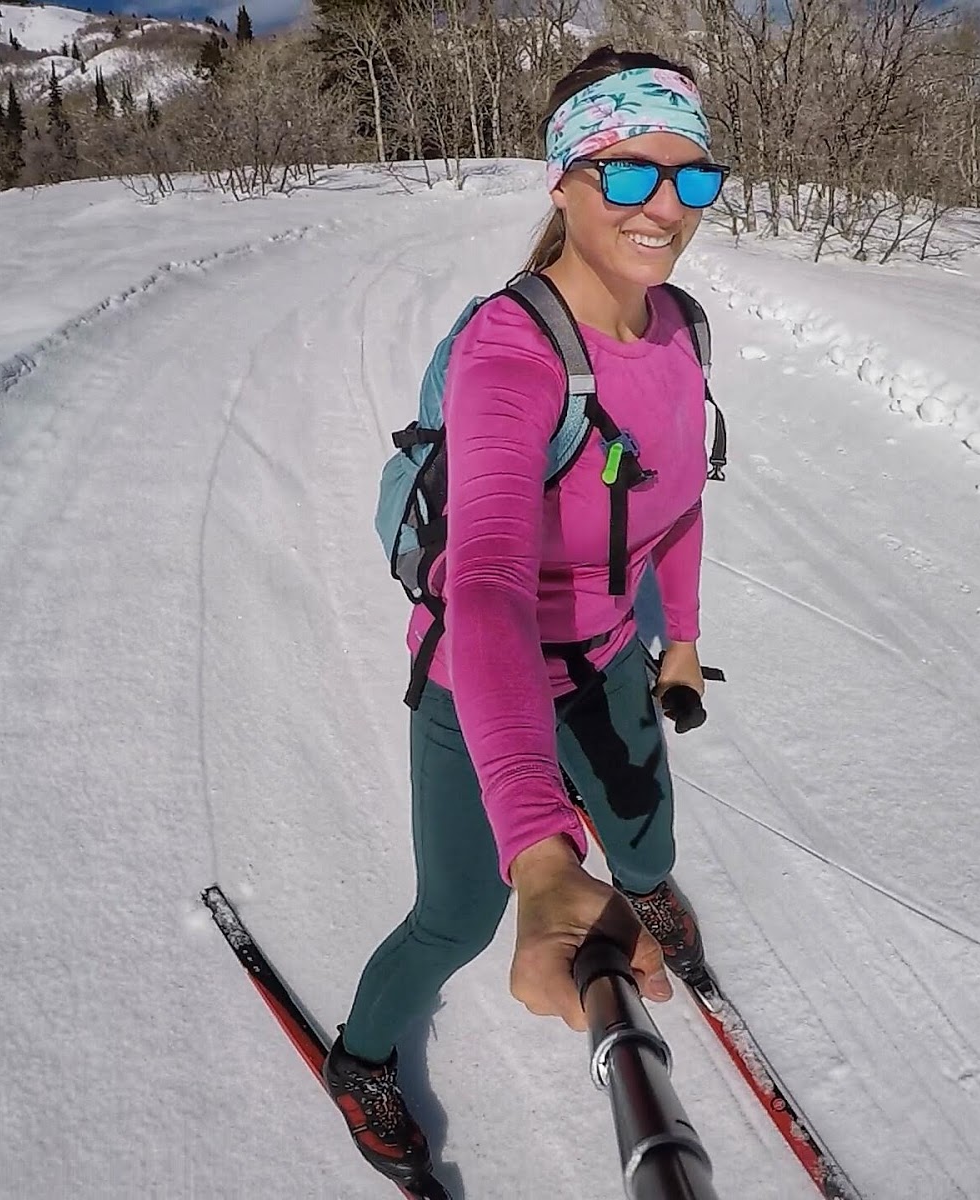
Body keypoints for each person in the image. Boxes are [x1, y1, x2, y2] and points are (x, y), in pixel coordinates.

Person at [324, 46, 728, 1189]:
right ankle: (360, 1061)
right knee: (458, 919)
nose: (665, 207)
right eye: (628, 173)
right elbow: (488, 580)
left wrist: (682, 641)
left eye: (692, 178)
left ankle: (635, 884)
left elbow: (683, 500)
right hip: (475, 678)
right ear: (562, 180)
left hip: (609, 658)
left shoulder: (680, 329)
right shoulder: (510, 351)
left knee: (648, 842)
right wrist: (544, 856)